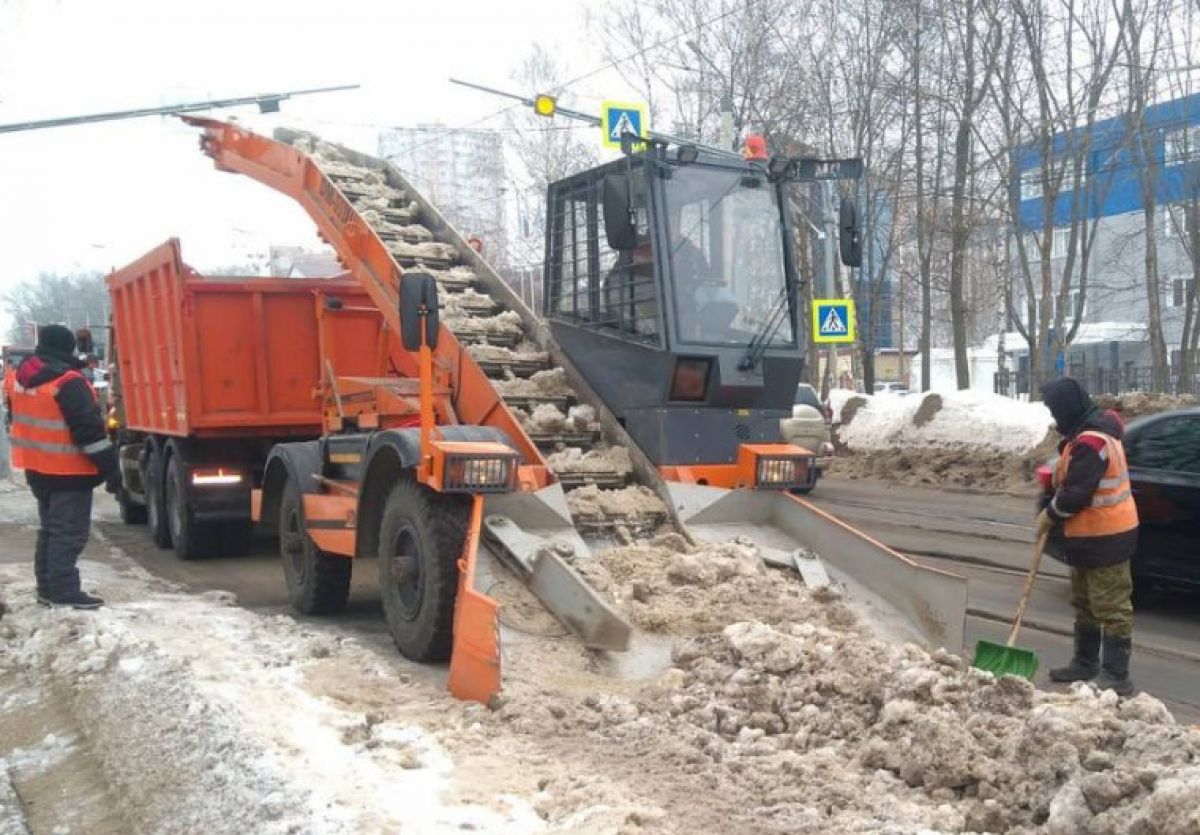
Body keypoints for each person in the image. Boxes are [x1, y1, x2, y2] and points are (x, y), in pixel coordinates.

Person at [1038, 377, 1139, 696]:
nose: (1054, 417)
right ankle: (1085, 663)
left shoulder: (1092, 442)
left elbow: (1076, 493)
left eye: (1056, 410)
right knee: (1084, 602)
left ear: (1068, 408)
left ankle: (1116, 675)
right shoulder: (1082, 435)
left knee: (1111, 605)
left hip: (1108, 537)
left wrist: (1050, 514)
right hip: (1087, 536)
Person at [9, 324, 119, 608]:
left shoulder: (19, 378)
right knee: (67, 534)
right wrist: (111, 469)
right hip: (69, 470)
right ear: (67, 348)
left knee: (50, 531)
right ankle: (62, 591)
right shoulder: (68, 382)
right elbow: (89, 433)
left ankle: (47, 587)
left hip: (37, 468)